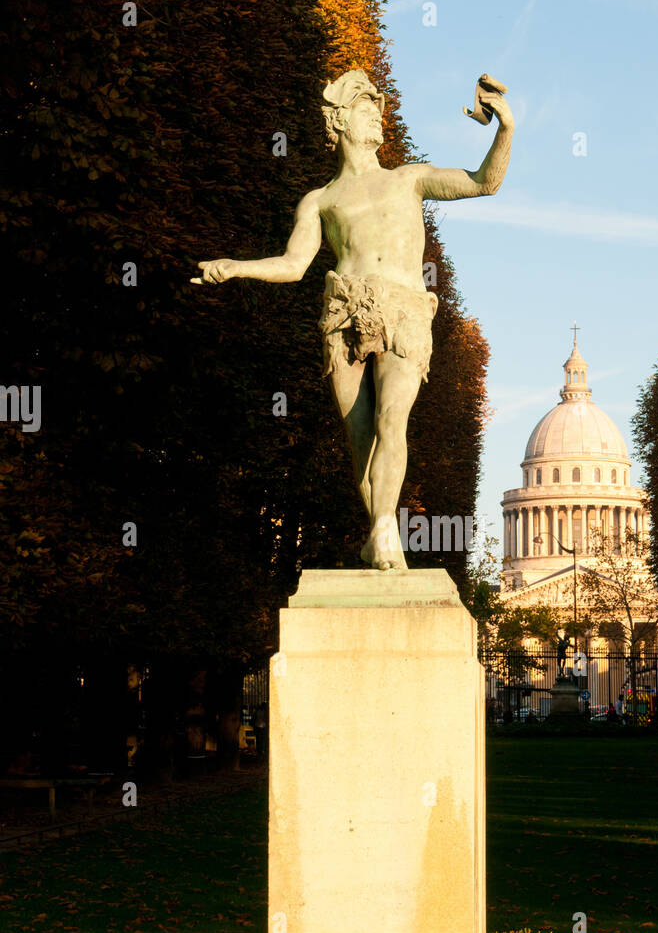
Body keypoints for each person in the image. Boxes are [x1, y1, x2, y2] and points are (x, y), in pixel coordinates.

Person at [193, 70, 513, 570]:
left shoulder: (410, 178)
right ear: (339, 121)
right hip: (343, 311)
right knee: (358, 439)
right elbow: (294, 265)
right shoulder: (319, 201)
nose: (377, 119)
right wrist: (237, 268)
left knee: (392, 419)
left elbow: (484, 182)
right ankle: (380, 528)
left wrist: (505, 128)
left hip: (404, 310)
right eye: (367, 110)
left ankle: (384, 531)